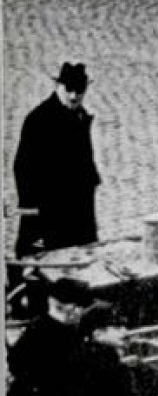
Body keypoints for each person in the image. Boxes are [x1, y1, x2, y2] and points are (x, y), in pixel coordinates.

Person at [13, 62, 101, 255]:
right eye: (68, 89)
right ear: (58, 86)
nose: (74, 96)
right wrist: (30, 208)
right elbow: (23, 166)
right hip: (50, 208)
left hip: (79, 204)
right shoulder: (39, 119)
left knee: (80, 259)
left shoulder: (80, 115)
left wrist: (90, 181)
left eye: (79, 90)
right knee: (46, 264)